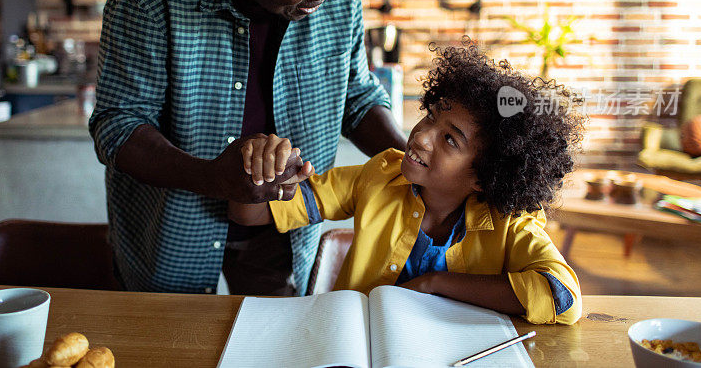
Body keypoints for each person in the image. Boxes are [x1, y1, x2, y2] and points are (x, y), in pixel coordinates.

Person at [88, 0, 406, 296]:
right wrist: (213, 177)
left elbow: (357, 97)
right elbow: (117, 125)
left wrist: (420, 164)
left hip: (281, 232)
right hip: (174, 236)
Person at [229, 41, 584, 324]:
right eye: (430, 117)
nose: (421, 136)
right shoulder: (381, 173)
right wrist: (261, 173)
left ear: (483, 175)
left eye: (450, 140)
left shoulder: (511, 221)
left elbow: (562, 298)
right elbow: (250, 215)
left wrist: (436, 283)